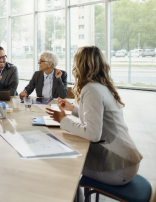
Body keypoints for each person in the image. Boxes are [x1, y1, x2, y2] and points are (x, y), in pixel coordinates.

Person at [46, 46, 142, 187]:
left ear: (81, 65)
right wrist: (72, 109)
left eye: (74, 62)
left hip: (118, 168)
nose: (73, 66)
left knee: (66, 163)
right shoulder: (100, 86)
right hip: (126, 161)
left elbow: (93, 134)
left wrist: (63, 120)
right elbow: (96, 117)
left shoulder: (91, 89)